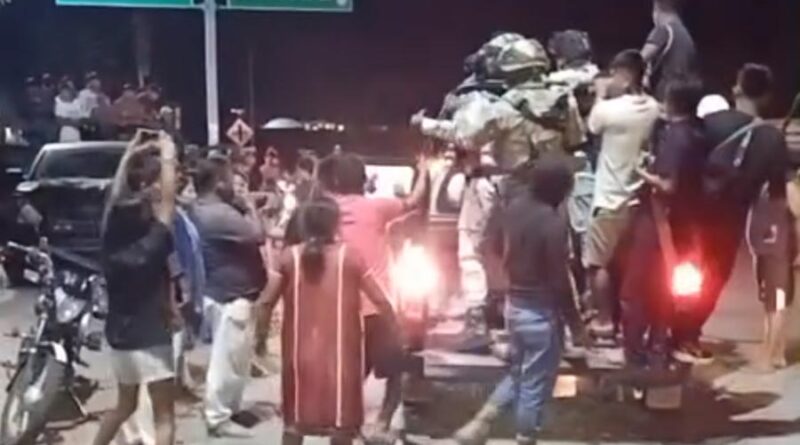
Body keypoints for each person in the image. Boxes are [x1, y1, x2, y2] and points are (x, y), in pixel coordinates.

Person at [412, 37, 586, 344]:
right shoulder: (565, 101)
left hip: (509, 186)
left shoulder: (502, 107)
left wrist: (423, 124)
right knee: (556, 259)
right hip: (553, 193)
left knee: (474, 248)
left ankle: (479, 322)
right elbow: (576, 143)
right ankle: (572, 328)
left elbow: (467, 137)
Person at [256, 197, 400, 445]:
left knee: (294, 424)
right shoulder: (350, 257)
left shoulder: (289, 258)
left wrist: (259, 340)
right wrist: (396, 331)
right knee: (342, 427)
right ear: (335, 225)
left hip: (299, 358)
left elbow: (265, 303)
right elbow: (382, 301)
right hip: (342, 360)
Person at [671, 64, 789, 363]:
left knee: (675, 270)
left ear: (736, 89)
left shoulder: (709, 122)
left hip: (689, 214)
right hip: (729, 221)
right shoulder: (772, 139)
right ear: (768, 96)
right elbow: (777, 193)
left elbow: (681, 156)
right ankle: (688, 335)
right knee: (713, 278)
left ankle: (665, 332)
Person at [456, 154, 575, 445]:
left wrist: (506, 276)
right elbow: (559, 280)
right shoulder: (552, 222)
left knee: (521, 373)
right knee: (534, 384)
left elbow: (491, 245)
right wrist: (576, 323)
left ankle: (481, 423)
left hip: (515, 305)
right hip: (540, 313)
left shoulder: (513, 209)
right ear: (558, 188)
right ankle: (525, 437)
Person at [323, 152, 427, 442]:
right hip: (379, 307)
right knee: (396, 370)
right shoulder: (378, 208)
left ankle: (345, 426)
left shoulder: (327, 211)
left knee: (351, 373)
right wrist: (423, 170)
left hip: (341, 307)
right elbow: (414, 200)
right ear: (364, 180)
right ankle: (381, 424)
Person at [92, 130, 179, 445]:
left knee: (124, 405)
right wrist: (168, 155)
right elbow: (168, 203)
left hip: (120, 336)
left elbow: (116, 196)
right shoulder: (153, 241)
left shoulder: (110, 236)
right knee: (164, 416)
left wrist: (131, 153)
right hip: (151, 335)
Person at [621, 76, 707, 368]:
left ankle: (636, 352)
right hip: (685, 223)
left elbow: (668, 185)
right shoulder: (699, 133)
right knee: (663, 289)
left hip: (660, 222)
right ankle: (658, 345)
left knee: (636, 288)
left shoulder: (675, 136)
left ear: (672, 101)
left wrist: (641, 172)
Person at [584, 50, 660, 340]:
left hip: (608, 199)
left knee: (597, 264)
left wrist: (600, 94)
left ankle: (604, 321)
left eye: (615, 74)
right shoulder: (652, 108)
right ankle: (629, 323)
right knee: (627, 266)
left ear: (626, 76)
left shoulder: (609, 109)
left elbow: (592, 126)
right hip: (638, 199)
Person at [190, 156, 267, 437]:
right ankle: (218, 417)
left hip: (225, 291)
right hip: (229, 295)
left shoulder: (201, 208)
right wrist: (250, 206)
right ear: (218, 183)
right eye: (229, 178)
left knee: (236, 359)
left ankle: (230, 409)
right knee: (227, 360)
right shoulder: (220, 214)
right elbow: (258, 234)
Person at [641, 0, 698, 101]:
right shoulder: (686, 35)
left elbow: (636, 61)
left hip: (666, 94)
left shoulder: (664, 29)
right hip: (682, 94)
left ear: (656, 9)